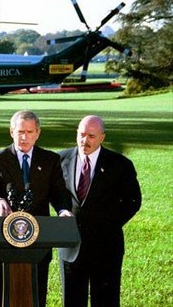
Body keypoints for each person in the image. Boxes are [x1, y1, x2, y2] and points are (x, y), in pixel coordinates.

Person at [0, 110, 73, 307]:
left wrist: (63, 210)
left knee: (36, 293)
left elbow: (59, 193)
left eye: (30, 132)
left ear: (38, 133)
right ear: (11, 132)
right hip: (3, 240)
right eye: (20, 131)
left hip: (38, 240)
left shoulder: (50, 160)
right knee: (1, 297)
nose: (24, 137)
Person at [58, 115, 142, 307]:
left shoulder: (120, 165)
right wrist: (61, 210)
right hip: (70, 245)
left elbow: (133, 201)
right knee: (72, 301)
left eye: (91, 136)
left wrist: (108, 223)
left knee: (106, 301)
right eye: (81, 134)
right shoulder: (61, 160)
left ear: (102, 137)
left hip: (106, 246)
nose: (84, 140)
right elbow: (53, 194)